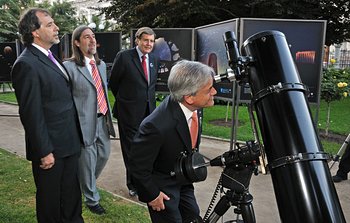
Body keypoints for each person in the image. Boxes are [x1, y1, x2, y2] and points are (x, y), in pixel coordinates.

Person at [11, 8, 83, 223]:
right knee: (51, 206)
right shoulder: (26, 64)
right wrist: (44, 151)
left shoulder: (50, 57)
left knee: (71, 201)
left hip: (69, 144)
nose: (56, 28)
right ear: (34, 31)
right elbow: (31, 113)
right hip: (50, 151)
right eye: (50, 24)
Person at [129, 60, 217, 223]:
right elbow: (137, 166)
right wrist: (152, 195)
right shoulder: (156, 126)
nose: (214, 91)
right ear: (189, 97)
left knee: (193, 216)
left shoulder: (195, 108)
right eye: (208, 89)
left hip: (183, 180)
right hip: (162, 189)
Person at [63, 25, 116, 215]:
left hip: (103, 120)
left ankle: (85, 185)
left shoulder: (100, 65)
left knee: (104, 155)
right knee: (87, 160)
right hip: (84, 122)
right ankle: (92, 199)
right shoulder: (69, 67)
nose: (92, 40)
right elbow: (66, 99)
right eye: (86, 37)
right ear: (77, 43)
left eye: (93, 36)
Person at [109, 27, 159, 196]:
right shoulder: (124, 57)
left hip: (149, 112)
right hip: (128, 113)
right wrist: (126, 101)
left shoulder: (154, 58)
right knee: (131, 149)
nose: (149, 44)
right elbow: (113, 83)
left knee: (146, 148)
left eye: (152, 41)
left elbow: (150, 86)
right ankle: (133, 185)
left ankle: (145, 179)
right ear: (137, 40)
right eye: (146, 40)